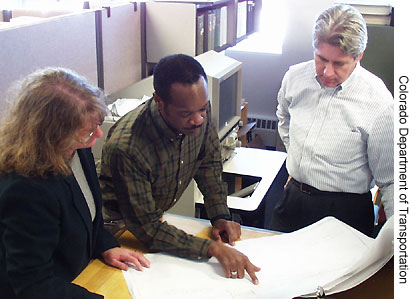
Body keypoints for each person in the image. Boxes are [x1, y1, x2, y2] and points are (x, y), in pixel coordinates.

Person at [99, 54, 260, 284]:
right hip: (116, 234)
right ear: (159, 101)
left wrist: (220, 217)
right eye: (186, 114)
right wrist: (212, 249)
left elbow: (208, 163)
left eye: (203, 110)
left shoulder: (198, 108)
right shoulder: (127, 146)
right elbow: (148, 228)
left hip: (150, 224)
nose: (198, 119)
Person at [0, 67, 150, 299]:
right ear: (52, 136)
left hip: (79, 277)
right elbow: (33, 284)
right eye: (88, 132)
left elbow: (87, 215)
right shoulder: (24, 189)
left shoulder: (75, 149)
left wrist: (105, 245)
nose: (98, 135)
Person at [271, 4, 394, 237]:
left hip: (345, 212)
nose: (327, 72)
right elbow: (283, 116)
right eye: (321, 59)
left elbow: (390, 181)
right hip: (293, 198)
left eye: (339, 64)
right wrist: (298, 157)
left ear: (358, 57)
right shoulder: (294, 78)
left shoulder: (379, 102)